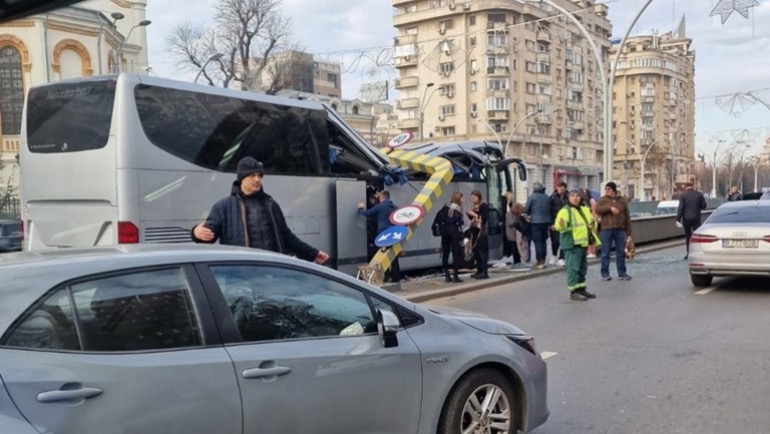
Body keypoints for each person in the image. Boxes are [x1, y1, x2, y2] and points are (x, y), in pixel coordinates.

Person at [192, 157, 329, 264]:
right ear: (241, 178)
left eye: (260, 175)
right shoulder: (223, 206)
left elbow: (287, 237)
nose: (257, 179)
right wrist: (196, 232)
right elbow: (207, 238)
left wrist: (313, 253)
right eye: (252, 175)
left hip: (272, 272)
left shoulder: (271, 204)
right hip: (240, 274)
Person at [554, 189, 600, 301]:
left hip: (582, 243)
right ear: (569, 198)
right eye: (573, 196)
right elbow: (559, 227)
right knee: (573, 268)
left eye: (577, 196)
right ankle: (573, 292)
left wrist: (593, 224)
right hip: (571, 243)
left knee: (582, 268)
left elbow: (591, 226)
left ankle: (581, 288)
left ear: (581, 198)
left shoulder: (584, 209)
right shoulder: (565, 211)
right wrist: (562, 224)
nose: (575, 198)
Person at [357, 190, 401, 282]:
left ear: (381, 198)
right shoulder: (395, 207)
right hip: (395, 235)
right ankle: (396, 278)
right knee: (393, 258)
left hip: (383, 236)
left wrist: (361, 208)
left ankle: (386, 276)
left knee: (382, 256)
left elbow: (367, 213)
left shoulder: (380, 206)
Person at [595, 182, 633, 281]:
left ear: (614, 190)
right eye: (606, 189)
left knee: (620, 252)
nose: (607, 191)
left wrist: (628, 233)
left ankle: (622, 273)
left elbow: (627, 216)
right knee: (605, 252)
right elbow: (597, 209)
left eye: (609, 189)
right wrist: (609, 208)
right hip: (606, 229)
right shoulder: (602, 200)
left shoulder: (622, 201)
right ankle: (605, 273)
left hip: (620, 229)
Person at [524, 182, 553, 269]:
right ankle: (543, 259)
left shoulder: (531, 197)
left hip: (535, 222)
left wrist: (529, 213)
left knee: (537, 241)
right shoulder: (547, 197)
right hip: (546, 222)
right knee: (543, 240)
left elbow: (526, 209)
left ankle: (539, 260)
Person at [439, 192, 465, 283]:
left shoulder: (446, 205)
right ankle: (455, 276)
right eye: (462, 198)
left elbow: (440, 216)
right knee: (455, 253)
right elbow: (459, 221)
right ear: (458, 199)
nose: (463, 200)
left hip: (445, 231)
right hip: (453, 231)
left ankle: (447, 276)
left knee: (445, 253)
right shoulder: (458, 208)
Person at [677, 182, 708, 260]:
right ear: (693, 186)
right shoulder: (699, 194)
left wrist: (678, 219)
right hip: (696, 218)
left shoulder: (683, 195)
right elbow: (704, 206)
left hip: (686, 219)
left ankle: (688, 253)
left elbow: (680, 208)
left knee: (688, 236)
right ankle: (698, 252)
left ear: (686, 187)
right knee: (697, 236)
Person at [467, 189, 490, 279]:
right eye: (471, 198)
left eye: (474, 198)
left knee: (482, 252)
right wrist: (470, 214)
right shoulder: (475, 206)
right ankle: (479, 270)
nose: (472, 200)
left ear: (478, 197)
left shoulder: (483, 206)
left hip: (480, 231)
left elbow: (484, 218)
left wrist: (475, 215)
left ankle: (484, 272)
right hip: (474, 230)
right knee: (476, 251)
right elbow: (471, 218)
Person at [549, 181, 569, 266]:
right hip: (554, 223)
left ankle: (561, 258)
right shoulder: (552, 198)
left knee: (563, 241)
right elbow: (549, 211)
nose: (561, 190)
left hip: (564, 223)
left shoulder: (567, 198)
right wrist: (550, 224)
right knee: (555, 241)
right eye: (560, 188)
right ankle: (554, 255)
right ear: (557, 188)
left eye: (563, 189)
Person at [510, 203, 531, 267]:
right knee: (524, 248)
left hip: (521, 234)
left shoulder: (518, 218)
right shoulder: (522, 217)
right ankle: (524, 261)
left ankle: (523, 261)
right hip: (523, 234)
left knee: (522, 247)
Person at [583, 188, 599, 259]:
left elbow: (595, 212)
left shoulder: (591, 201)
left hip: (592, 221)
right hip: (587, 221)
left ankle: (592, 252)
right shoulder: (584, 202)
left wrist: (593, 220)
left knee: (592, 237)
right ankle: (589, 251)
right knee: (588, 237)